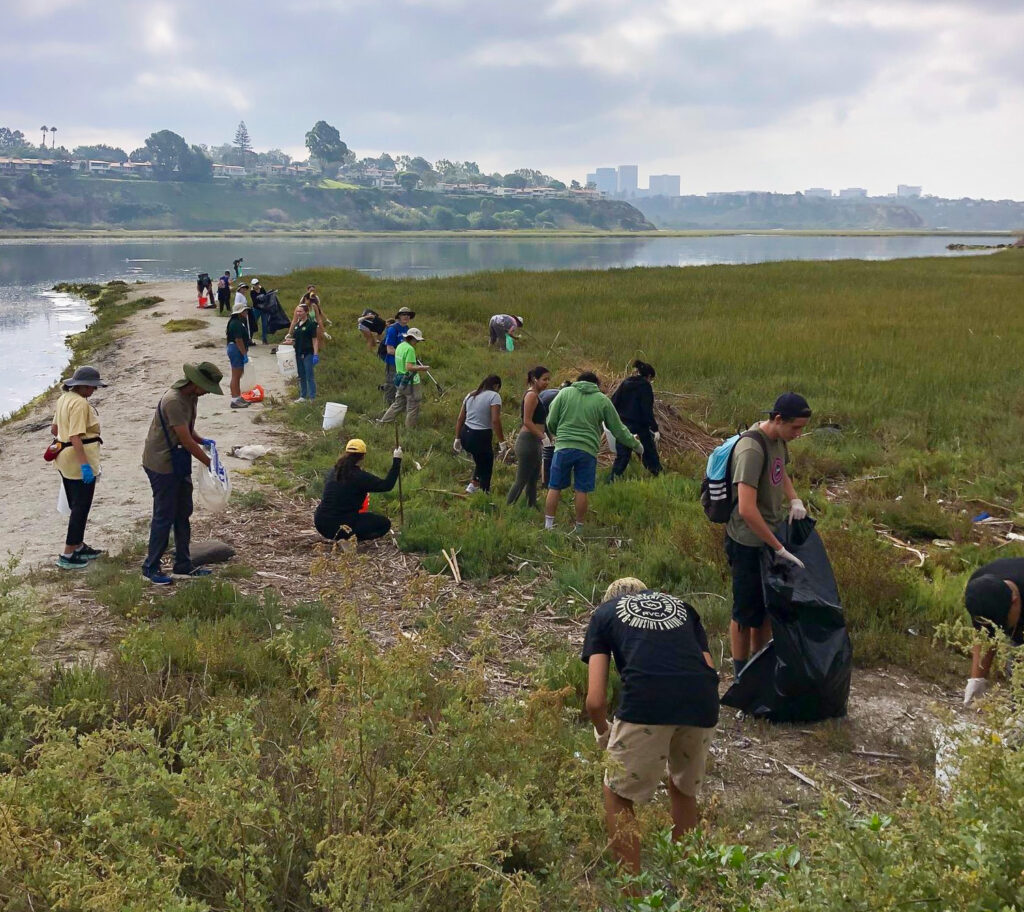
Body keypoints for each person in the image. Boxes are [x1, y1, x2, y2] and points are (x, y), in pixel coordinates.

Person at [583, 577, 719, 875]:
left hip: (647, 701)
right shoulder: (683, 608)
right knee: (684, 787)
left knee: (617, 793)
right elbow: (709, 669)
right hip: (703, 701)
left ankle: (632, 895)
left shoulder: (604, 615)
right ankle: (688, 880)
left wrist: (603, 732)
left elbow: (595, 701)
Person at [725, 392, 811, 676]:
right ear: (777, 419)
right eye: (795, 427)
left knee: (766, 609)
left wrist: (794, 499)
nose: (799, 433)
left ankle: (758, 664)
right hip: (748, 542)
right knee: (744, 612)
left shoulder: (778, 441)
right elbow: (747, 509)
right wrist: (778, 547)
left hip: (770, 537)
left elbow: (780, 470)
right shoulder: (751, 449)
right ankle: (740, 674)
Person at [141, 362, 222, 585]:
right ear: (194, 382)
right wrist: (208, 462)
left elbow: (188, 431)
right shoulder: (174, 401)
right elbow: (184, 439)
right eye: (206, 387)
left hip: (178, 462)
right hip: (161, 463)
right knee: (164, 516)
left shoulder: (191, 397)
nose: (206, 392)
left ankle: (183, 564)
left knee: (183, 512)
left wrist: (202, 440)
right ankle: (151, 567)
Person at [543, 372, 642, 534]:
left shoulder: (565, 393)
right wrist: (636, 445)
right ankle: (579, 528)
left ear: (578, 381)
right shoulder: (602, 400)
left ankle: (548, 526)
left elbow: (551, 420)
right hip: (587, 450)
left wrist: (558, 434)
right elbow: (618, 429)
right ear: (596, 383)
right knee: (581, 489)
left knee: (554, 486)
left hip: (563, 447)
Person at [50, 366, 108, 569]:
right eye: (92, 387)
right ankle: (67, 554)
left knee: (76, 504)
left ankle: (79, 546)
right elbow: (75, 437)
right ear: (83, 386)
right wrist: (85, 466)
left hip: (64, 460)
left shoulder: (63, 398)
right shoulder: (80, 404)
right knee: (80, 508)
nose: (94, 391)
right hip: (78, 461)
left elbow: (55, 429)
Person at [314, 438, 403, 543]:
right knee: (384, 524)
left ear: (346, 453)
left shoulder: (333, 471)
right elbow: (386, 485)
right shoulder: (359, 476)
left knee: (355, 517)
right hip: (342, 526)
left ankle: (344, 537)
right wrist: (397, 461)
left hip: (321, 522)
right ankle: (348, 539)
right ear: (363, 456)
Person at [962, 558, 1024, 706]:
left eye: (1003, 623)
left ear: (1014, 601)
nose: (999, 631)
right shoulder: (980, 589)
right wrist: (977, 679)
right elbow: (984, 636)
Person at [507, 366, 551, 507]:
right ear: (535, 379)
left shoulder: (537, 396)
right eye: (544, 379)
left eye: (548, 379)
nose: (547, 382)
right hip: (527, 441)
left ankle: (531, 506)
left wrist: (546, 435)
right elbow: (527, 420)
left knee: (533, 478)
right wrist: (542, 436)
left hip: (535, 442)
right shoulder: (531, 395)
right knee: (522, 479)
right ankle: (508, 507)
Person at [454, 375, 506, 494]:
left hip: (465, 434)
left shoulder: (471, 394)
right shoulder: (494, 396)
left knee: (480, 460)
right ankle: (484, 492)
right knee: (487, 464)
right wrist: (502, 441)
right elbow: (495, 420)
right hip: (480, 435)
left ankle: (473, 485)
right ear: (496, 386)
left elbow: (460, 418)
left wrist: (457, 438)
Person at [610, 360, 662, 479]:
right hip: (640, 425)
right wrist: (655, 428)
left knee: (622, 455)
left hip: (623, 424)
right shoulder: (645, 386)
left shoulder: (625, 383)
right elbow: (647, 410)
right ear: (648, 376)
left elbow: (613, 402)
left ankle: (613, 479)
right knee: (649, 452)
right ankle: (658, 475)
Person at [380, 327, 428, 427]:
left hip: (399, 379)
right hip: (410, 382)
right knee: (413, 406)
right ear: (412, 338)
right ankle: (410, 430)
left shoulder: (400, 346)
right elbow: (409, 367)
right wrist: (422, 368)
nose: (417, 342)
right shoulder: (410, 349)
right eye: (417, 340)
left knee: (398, 403)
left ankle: (382, 423)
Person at [288, 302, 320, 402]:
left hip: (308, 353)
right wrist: (290, 341)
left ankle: (312, 397)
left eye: (300, 311)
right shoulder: (297, 325)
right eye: (297, 311)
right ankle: (303, 396)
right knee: (301, 375)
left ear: (306, 312)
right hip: (298, 353)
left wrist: (315, 354)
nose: (298, 313)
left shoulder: (311, 324)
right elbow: (295, 339)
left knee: (309, 375)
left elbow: (315, 340)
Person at [539, 381, 569, 487]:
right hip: (537, 419)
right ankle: (544, 481)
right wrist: (550, 436)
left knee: (546, 448)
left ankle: (543, 476)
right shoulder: (554, 399)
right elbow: (547, 420)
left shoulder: (557, 394)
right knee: (547, 449)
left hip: (539, 415)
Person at [382, 306, 414, 405]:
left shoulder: (407, 329)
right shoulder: (393, 329)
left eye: (408, 315)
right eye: (403, 314)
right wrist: (404, 355)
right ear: (399, 316)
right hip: (392, 362)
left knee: (402, 384)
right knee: (391, 385)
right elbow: (389, 349)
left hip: (403, 364)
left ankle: (399, 405)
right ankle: (387, 408)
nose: (406, 317)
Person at [226, 297, 251, 409]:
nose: (246, 313)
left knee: (238, 374)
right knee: (236, 375)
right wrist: (244, 353)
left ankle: (238, 396)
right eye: (244, 311)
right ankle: (234, 399)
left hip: (235, 348)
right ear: (240, 313)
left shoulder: (238, 322)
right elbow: (238, 340)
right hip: (236, 349)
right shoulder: (235, 323)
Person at [249, 278, 270, 344]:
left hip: (264, 309)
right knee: (253, 323)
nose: (257, 285)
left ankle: (264, 339)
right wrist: (261, 298)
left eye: (257, 283)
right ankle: (250, 338)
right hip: (256, 309)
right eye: (255, 284)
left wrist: (261, 299)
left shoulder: (262, 289)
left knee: (265, 324)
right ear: (253, 285)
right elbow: (254, 302)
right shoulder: (252, 292)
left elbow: (266, 297)